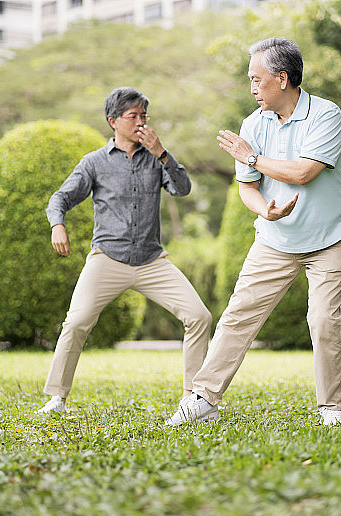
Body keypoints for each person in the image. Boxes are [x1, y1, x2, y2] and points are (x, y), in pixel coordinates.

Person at [164, 37, 341, 427]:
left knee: (323, 320)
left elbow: (304, 172)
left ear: (282, 79)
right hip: (276, 240)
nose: (251, 88)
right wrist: (264, 211)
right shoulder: (253, 123)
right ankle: (203, 398)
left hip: (328, 240)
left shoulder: (325, 115)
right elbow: (248, 186)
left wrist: (250, 156)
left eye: (256, 79)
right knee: (237, 316)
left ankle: (334, 407)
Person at [37, 86, 212, 413]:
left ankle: (193, 397)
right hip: (107, 259)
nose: (140, 122)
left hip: (152, 261)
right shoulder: (94, 163)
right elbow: (59, 198)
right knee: (76, 324)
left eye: (144, 116)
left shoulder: (155, 159)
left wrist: (162, 152)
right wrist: (57, 224)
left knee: (199, 316)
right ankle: (57, 398)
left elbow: (183, 188)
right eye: (133, 116)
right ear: (113, 121)